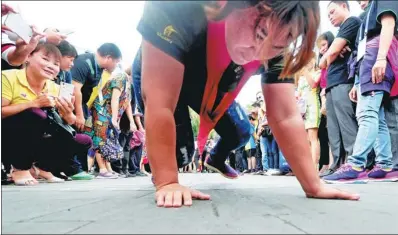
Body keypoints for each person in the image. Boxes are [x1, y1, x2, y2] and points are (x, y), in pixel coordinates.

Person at [134, 1, 359, 208]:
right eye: (259, 33)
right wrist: (168, 182)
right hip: (163, 66)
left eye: (277, 45)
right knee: (176, 157)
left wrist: (314, 184)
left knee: (240, 131)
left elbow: (285, 116)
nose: (258, 53)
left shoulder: (275, 43)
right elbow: (159, 101)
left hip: (212, 83)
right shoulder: (178, 8)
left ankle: (215, 159)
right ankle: (156, 167)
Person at [324, 0, 398, 183]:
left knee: (367, 113)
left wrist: (381, 59)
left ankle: (356, 164)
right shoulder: (365, 16)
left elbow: (389, 24)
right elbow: (359, 50)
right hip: (366, 64)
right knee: (377, 116)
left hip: (376, 59)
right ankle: (386, 165)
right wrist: (356, 82)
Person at [1, 43, 91, 185]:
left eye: (56, 64)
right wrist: (33, 103)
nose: (51, 66)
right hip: (7, 136)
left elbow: (70, 122)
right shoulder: (7, 77)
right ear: (28, 56)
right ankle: (19, 168)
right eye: (45, 59)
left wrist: (67, 113)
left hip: (37, 137)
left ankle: (41, 168)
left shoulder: (56, 88)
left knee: (82, 140)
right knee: (35, 114)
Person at [319, 0, 362, 177]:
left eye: (333, 12)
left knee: (346, 123)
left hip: (343, 80)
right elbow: (327, 57)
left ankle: (354, 164)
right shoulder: (340, 31)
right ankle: (336, 165)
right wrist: (331, 53)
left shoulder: (351, 22)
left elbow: (333, 52)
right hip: (331, 84)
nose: (330, 17)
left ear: (344, 6)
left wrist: (330, 54)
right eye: (328, 14)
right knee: (334, 128)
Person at [72, 43, 122, 132]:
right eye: (116, 62)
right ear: (108, 58)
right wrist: (79, 115)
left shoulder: (99, 68)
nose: (116, 66)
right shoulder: (84, 62)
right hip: (71, 105)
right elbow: (75, 89)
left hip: (82, 105)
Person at [296, 54, 322, 170]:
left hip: (313, 106)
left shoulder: (317, 72)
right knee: (306, 139)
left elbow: (313, 84)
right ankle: (308, 166)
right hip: (303, 109)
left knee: (313, 137)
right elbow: (299, 94)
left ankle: (314, 166)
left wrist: (305, 71)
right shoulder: (300, 78)